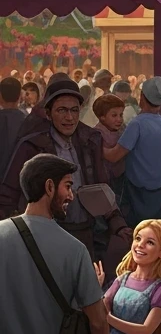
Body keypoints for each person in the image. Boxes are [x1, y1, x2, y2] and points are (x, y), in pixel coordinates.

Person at [0, 154, 112, 334]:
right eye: (68, 186)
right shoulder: (74, 249)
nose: (71, 196)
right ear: (49, 187)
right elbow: (97, 322)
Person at [0, 77, 132, 264]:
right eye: (62, 110)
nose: (69, 118)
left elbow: (101, 188)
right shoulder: (31, 145)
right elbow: (9, 192)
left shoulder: (91, 140)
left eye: (74, 110)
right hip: (46, 234)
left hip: (85, 231)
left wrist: (118, 225)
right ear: (48, 113)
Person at [102, 77, 161, 225]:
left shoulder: (137, 124)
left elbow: (114, 156)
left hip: (137, 193)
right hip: (158, 191)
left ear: (142, 97)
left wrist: (95, 143)